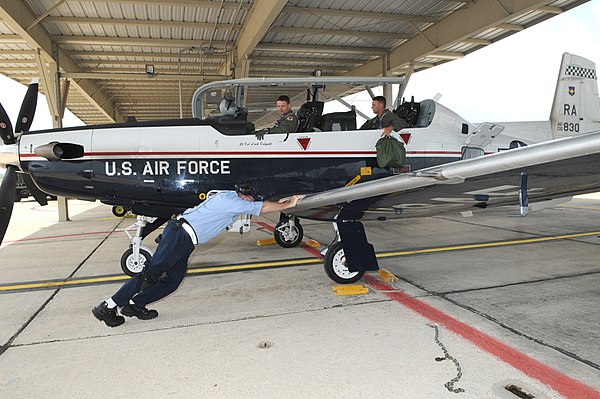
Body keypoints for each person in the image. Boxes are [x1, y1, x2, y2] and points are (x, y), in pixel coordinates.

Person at [92, 184, 304, 327]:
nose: (250, 203)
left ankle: (135, 305)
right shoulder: (233, 201)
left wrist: (283, 202)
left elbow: (260, 204)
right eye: (250, 199)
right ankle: (108, 306)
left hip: (183, 238)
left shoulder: (228, 196)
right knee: (150, 274)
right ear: (245, 196)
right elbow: (264, 207)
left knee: (172, 281)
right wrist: (291, 204)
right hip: (181, 236)